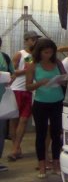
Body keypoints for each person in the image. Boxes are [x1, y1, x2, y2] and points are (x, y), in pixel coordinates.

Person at [25, 38, 65, 178]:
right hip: (41, 103)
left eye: (51, 52)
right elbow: (28, 86)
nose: (48, 55)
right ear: (39, 52)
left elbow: (65, 78)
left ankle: (56, 163)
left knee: (56, 133)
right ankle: (42, 165)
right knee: (41, 135)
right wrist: (40, 83)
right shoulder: (32, 66)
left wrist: (62, 80)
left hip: (57, 101)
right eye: (45, 52)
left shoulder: (58, 63)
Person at [7, 30, 41, 162]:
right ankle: (16, 147)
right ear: (26, 41)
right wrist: (25, 71)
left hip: (29, 91)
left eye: (36, 39)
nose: (35, 41)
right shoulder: (20, 54)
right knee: (14, 120)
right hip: (16, 90)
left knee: (24, 120)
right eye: (32, 39)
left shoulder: (37, 56)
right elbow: (12, 72)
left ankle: (15, 148)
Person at [0, 38, 15, 173]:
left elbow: (13, 73)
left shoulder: (4, 57)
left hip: (2, 101)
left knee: (0, 132)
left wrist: (9, 79)